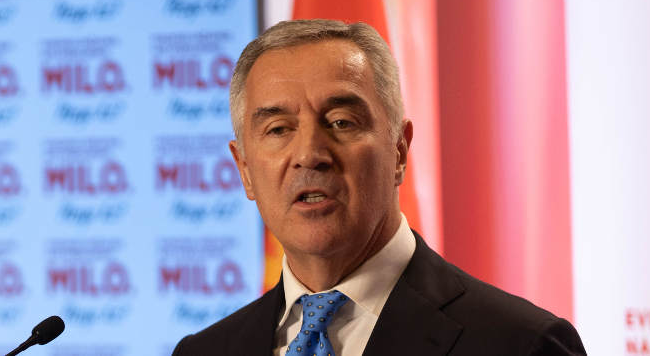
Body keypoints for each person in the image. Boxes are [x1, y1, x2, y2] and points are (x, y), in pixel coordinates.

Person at [172, 19, 587, 356]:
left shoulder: (521, 345)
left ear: (399, 151)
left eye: (341, 122)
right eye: (278, 129)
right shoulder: (203, 352)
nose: (310, 153)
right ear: (244, 169)